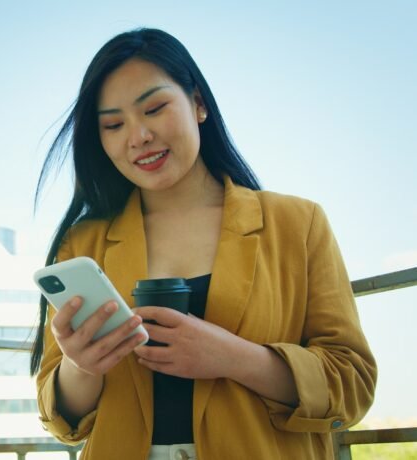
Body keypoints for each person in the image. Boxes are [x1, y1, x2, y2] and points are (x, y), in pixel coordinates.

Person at [30, 28, 377, 460]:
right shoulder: (83, 243)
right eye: (114, 124)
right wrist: (81, 365)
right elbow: (59, 415)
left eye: (154, 108)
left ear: (198, 104)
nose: (138, 136)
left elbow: (352, 384)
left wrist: (236, 358)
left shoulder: (298, 224)